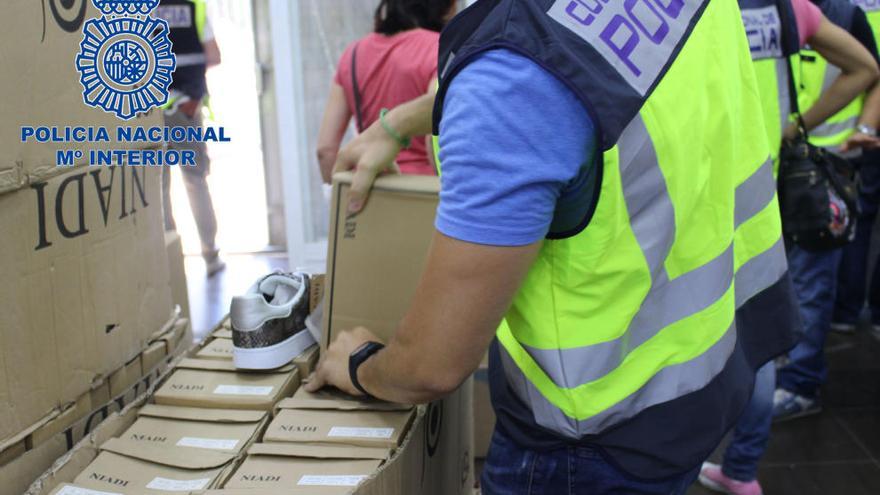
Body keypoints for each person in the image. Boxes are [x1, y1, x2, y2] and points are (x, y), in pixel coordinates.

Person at [306, 0, 800, 493]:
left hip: (592, 438)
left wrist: (359, 364)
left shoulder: (511, 75)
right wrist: (405, 120)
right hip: (702, 374)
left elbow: (431, 366)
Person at [699, 0, 879, 493]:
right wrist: (795, 127)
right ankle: (741, 470)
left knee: (692, 327)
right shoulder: (791, 10)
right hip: (772, 192)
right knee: (760, 332)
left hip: (701, 197)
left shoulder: (688, 12)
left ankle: (689, 456)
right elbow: (865, 67)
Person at [774, 0, 880, 422]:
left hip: (823, 168)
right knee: (776, 273)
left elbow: (873, 72)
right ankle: (782, 362)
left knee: (812, 280)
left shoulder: (839, 12)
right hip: (769, 163)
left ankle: (800, 380)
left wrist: (865, 128)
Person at [315, 0, 457, 184]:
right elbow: (434, 140)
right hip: (423, 195)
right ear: (444, 7)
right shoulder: (440, 49)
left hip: (369, 190)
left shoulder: (352, 55)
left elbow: (325, 151)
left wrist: (341, 193)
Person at [158, 0, 225, 277]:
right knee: (195, 180)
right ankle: (210, 254)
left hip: (150, 109)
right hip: (186, 106)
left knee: (158, 186)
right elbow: (214, 55)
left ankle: (167, 257)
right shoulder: (193, 5)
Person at [832, 2, 880, 343]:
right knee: (856, 212)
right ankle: (855, 311)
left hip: (857, 112)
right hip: (858, 114)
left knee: (857, 212)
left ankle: (845, 311)